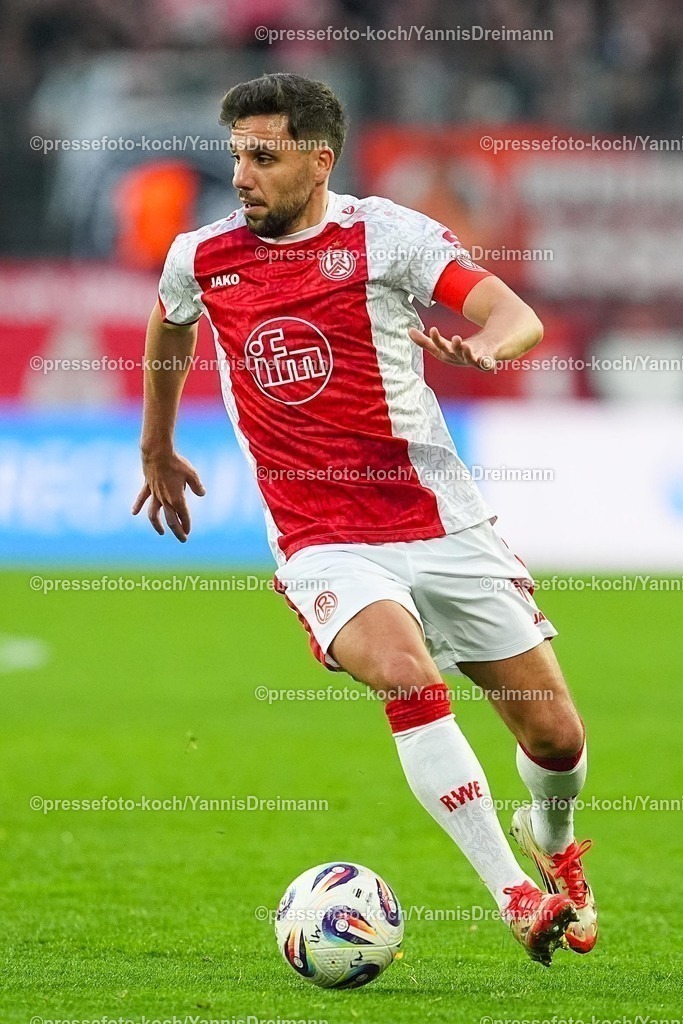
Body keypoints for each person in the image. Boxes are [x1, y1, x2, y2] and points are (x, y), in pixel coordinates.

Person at [133, 72, 596, 966]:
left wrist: (488, 349)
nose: (242, 175)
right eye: (236, 155)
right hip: (321, 536)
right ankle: (511, 894)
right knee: (403, 672)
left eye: (262, 157)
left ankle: (553, 840)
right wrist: (156, 447)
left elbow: (511, 313)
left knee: (557, 737)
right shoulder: (203, 255)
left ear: (319, 160)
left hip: (437, 520)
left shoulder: (388, 235)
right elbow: (169, 323)